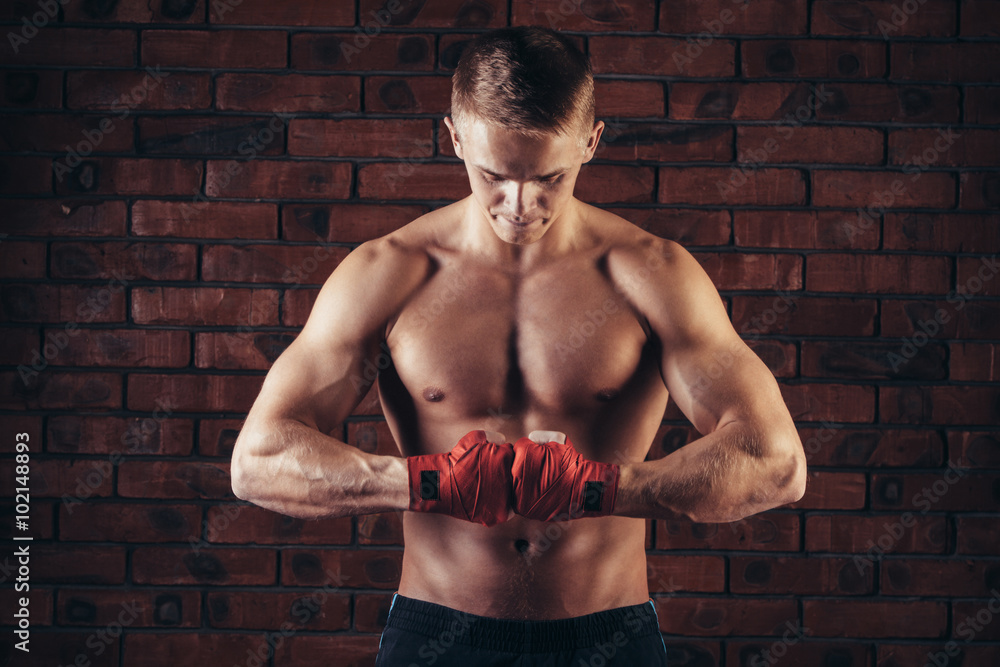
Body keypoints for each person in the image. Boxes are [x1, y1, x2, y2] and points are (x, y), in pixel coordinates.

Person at [231, 26, 807, 666]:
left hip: (607, 636)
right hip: (438, 633)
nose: (520, 205)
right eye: (493, 176)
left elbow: (775, 462)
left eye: (549, 178)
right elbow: (259, 461)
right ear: (454, 137)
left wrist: (599, 491)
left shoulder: (652, 274)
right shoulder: (388, 273)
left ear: (591, 142)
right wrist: (426, 483)